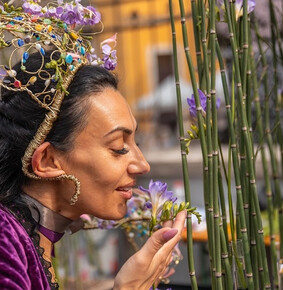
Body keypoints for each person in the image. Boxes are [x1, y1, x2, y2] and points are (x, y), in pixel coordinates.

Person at [0, 1, 186, 289]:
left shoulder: (27, 237)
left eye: (133, 142)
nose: (142, 164)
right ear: (48, 161)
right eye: (118, 147)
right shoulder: (5, 241)